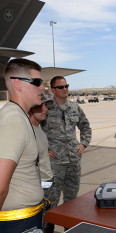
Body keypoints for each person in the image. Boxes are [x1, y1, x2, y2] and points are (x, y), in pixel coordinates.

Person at [41, 76, 92, 233]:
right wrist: (41, 150)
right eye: (61, 87)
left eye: (66, 86)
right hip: (54, 164)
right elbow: (32, 129)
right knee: (50, 202)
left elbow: (85, 127)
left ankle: (69, 229)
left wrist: (83, 144)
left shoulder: (75, 107)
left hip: (73, 163)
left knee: (72, 201)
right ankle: (46, 230)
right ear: (54, 90)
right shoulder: (45, 108)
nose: (65, 89)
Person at [0, 58, 45, 233]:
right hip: (17, 223)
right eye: (37, 82)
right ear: (18, 85)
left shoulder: (18, 115)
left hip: (24, 219)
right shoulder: (14, 120)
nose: (43, 87)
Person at [29, 95, 54, 190]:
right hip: (37, 185)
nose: (46, 109)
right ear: (30, 108)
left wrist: (44, 153)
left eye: (46, 105)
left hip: (47, 180)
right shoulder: (27, 132)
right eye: (41, 105)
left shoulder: (39, 130)